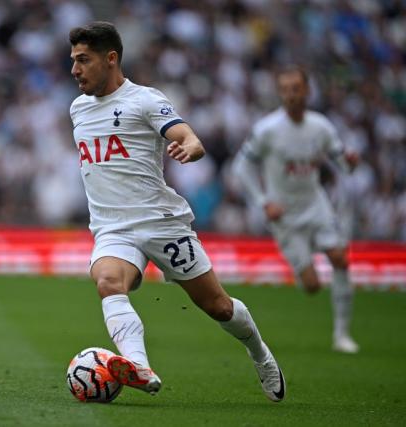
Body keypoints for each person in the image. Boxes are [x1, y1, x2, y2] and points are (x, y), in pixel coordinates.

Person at [68, 21, 285, 402]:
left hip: (160, 224)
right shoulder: (78, 109)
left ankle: (259, 353)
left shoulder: (145, 100)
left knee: (217, 307)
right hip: (113, 229)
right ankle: (139, 366)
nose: (75, 70)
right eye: (73, 60)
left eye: (83, 60)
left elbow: (187, 136)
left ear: (111, 58)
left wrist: (192, 148)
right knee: (108, 283)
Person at [232, 66, 359, 354]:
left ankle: (342, 335)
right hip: (285, 215)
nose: (291, 94)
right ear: (280, 93)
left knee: (340, 259)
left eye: (296, 88)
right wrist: (264, 201)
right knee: (312, 285)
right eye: (286, 89)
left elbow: (343, 164)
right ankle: (307, 269)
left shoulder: (321, 126)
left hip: (316, 204)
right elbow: (242, 167)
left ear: (307, 90)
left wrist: (351, 161)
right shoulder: (267, 129)